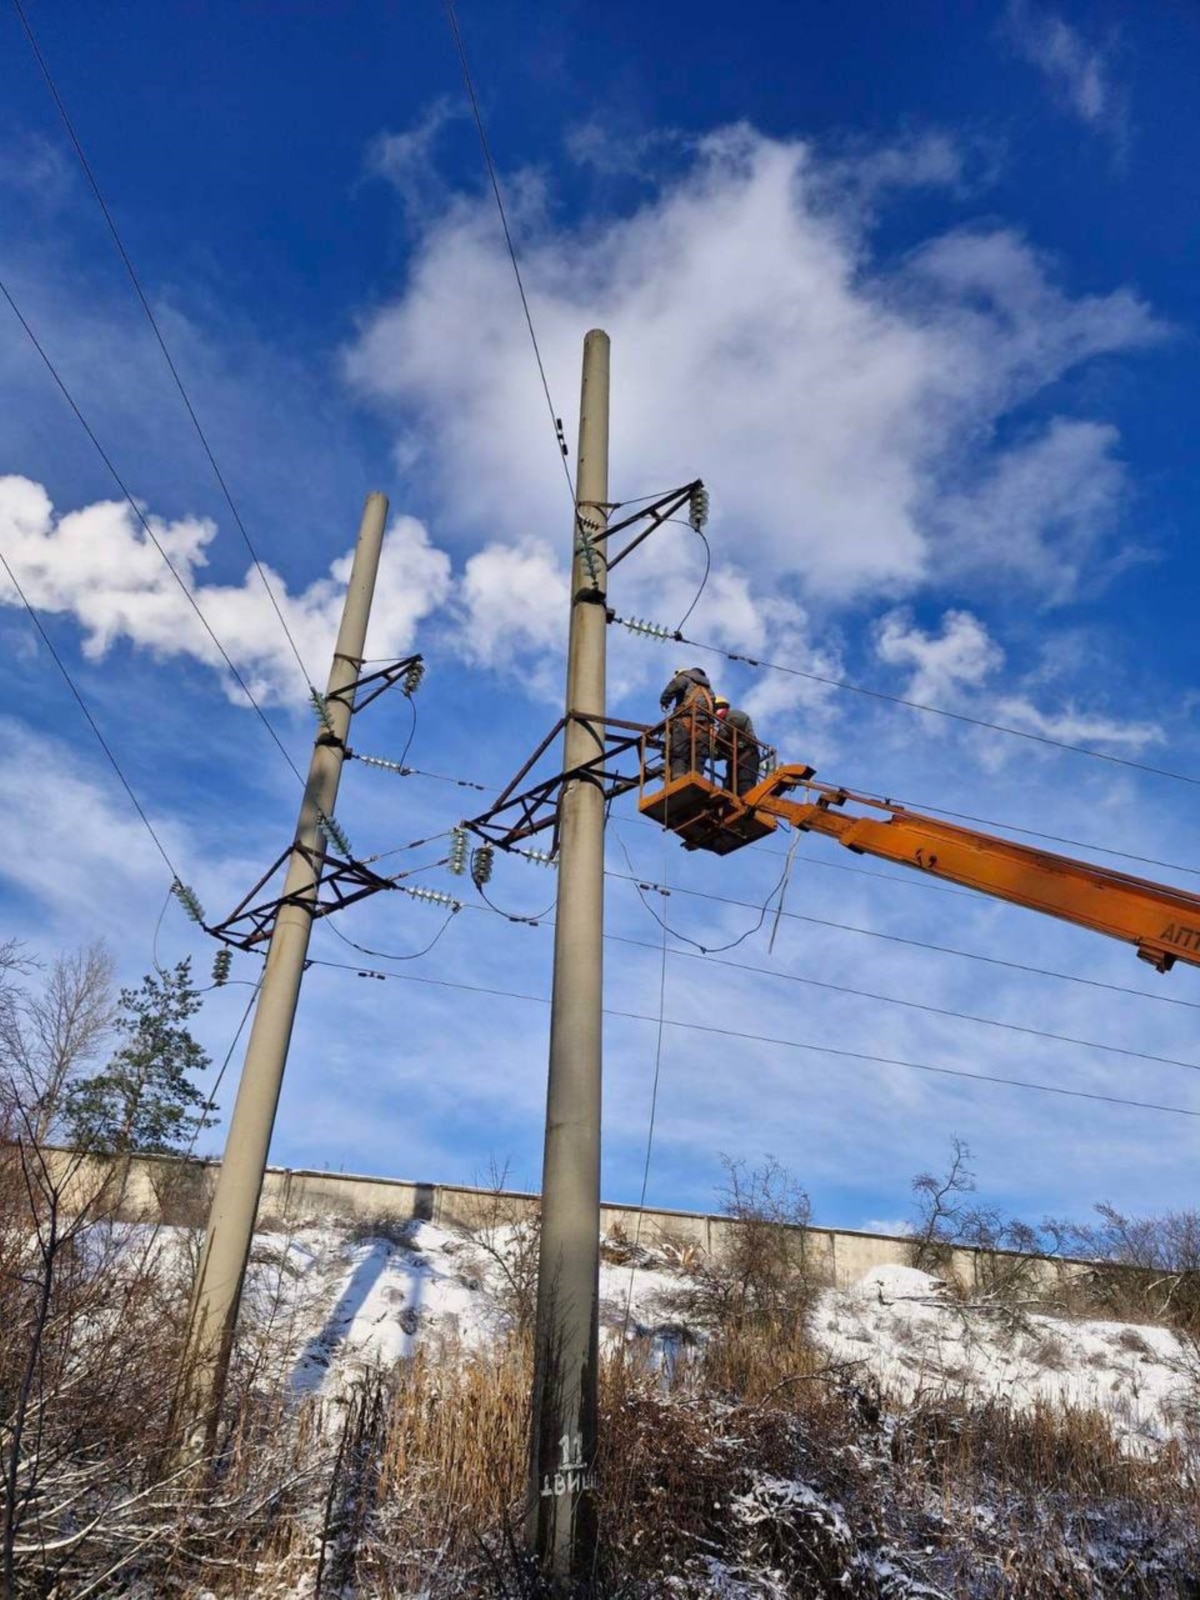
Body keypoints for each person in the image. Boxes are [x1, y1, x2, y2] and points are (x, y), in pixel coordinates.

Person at [659, 665, 715, 780]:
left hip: (686, 718)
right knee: (699, 752)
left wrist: (664, 701)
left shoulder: (685, 677)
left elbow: (673, 687)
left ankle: (678, 776)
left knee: (679, 748)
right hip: (704, 724)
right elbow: (712, 705)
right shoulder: (709, 689)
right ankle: (695, 777)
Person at [714, 695, 761, 796]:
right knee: (728, 789)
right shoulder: (722, 728)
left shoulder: (733, 715)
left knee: (745, 785)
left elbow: (735, 723)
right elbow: (717, 754)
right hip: (734, 762)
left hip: (748, 755)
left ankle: (748, 807)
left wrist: (716, 738)